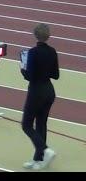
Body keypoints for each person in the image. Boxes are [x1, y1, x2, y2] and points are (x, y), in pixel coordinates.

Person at [21, 23, 59, 170]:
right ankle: (39, 159)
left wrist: (22, 70)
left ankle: (45, 150)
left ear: (35, 35)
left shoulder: (33, 52)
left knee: (27, 125)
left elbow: (29, 76)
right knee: (41, 124)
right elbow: (55, 75)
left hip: (36, 91)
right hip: (49, 91)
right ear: (48, 36)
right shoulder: (53, 51)